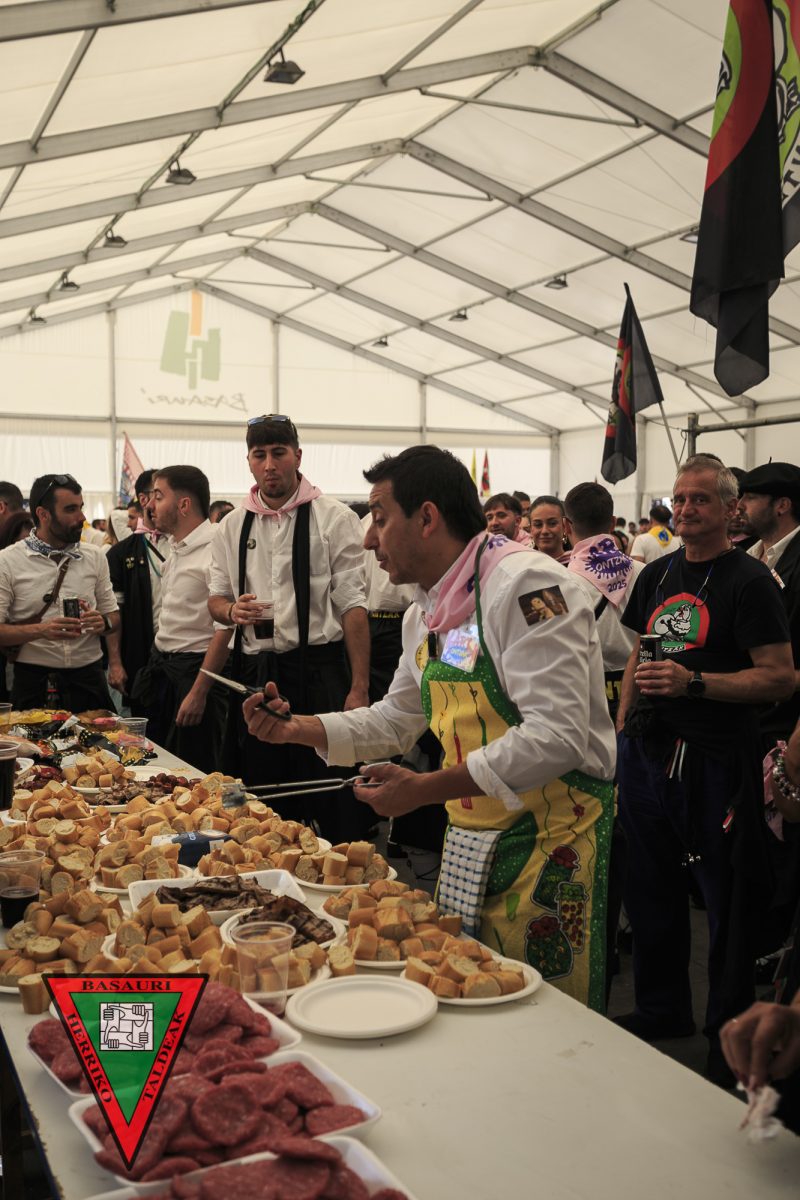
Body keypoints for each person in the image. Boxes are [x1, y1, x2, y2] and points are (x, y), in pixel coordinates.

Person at [243, 445, 616, 1012]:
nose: (369, 539)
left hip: (552, 837)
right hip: (469, 836)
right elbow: (396, 717)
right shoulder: (427, 612)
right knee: (464, 994)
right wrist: (298, 729)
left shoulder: (532, 588)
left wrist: (425, 789)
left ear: (427, 517)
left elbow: (557, 736)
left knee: (542, 1016)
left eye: (379, 517)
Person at [613, 454, 794, 1083]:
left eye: (701, 499)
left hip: (714, 760)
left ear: (730, 508)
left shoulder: (750, 581)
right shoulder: (656, 573)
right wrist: (624, 726)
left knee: (725, 903)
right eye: (680, 498)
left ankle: (728, 1037)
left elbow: (779, 677)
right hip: (647, 755)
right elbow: (638, 653)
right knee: (649, 886)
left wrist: (695, 683)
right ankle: (662, 1008)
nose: (686, 509)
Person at [208, 414, 369, 840]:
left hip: (320, 670)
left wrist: (359, 687)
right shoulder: (231, 525)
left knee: (331, 790)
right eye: (259, 455)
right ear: (248, 461)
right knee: (255, 799)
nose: (269, 465)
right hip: (255, 674)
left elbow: (352, 605)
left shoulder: (334, 517)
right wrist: (231, 611)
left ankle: (343, 865)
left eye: (278, 453)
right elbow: (216, 599)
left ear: (297, 455)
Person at [135, 466, 230, 772]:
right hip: (163, 669)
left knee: (193, 772)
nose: (150, 505)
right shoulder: (176, 546)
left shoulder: (215, 549)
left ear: (184, 504)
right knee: (157, 769)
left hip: (194, 673)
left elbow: (225, 629)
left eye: (158, 496)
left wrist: (198, 692)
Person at [0, 473, 119, 711]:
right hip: (34, 683)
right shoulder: (8, 561)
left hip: (89, 680)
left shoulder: (95, 556)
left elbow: (113, 616)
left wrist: (103, 622)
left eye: (81, 507)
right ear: (43, 514)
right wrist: (42, 630)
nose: (82, 517)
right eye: (71, 509)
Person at [564, 483, 642, 721]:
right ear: (613, 522)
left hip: (587, 693)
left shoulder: (560, 582)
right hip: (638, 690)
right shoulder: (646, 572)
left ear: (566, 526)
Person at [106, 470, 171, 714]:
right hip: (141, 656)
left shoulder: (187, 543)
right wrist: (115, 663)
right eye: (160, 494)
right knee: (143, 726)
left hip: (184, 659)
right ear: (144, 500)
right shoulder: (120, 553)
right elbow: (113, 612)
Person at [529, 495, 569, 561]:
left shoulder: (577, 565)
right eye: (538, 525)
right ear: (531, 529)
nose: (545, 531)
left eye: (552, 523)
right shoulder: (522, 564)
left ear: (564, 526)